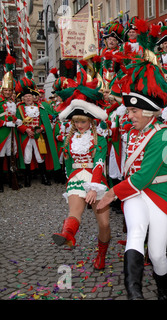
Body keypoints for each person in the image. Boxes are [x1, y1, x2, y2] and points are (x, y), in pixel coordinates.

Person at [97, 28, 167, 300]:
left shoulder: (164, 134)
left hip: (160, 193)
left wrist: (109, 194)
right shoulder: (132, 132)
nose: (128, 115)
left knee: (157, 254)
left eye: (133, 111)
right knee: (135, 236)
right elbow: (134, 179)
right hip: (134, 194)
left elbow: (143, 177)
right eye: (128, 110)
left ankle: (164, 294)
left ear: (147, 111)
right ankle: (134, 293)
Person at [51, 68, 111, 270]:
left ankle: (101, 255)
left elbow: (100, 163)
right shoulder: (69, 140)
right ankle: (67, 234)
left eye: (83, 121)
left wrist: (94, 188)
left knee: (103, 224)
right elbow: (68, 163)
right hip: (77, 177)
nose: (79, 125)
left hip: (96, 180)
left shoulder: (99, 138)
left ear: (91, 120)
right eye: (75, 121)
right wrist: (70, 181)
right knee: (74, 212)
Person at [15, 67, 60, 187]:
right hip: (26, 136)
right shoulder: (19, 108)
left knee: (40, 156)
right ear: (23, 98)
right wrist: (27, 130)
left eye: (30, 96)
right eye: (26, 97)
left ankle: (44, 177)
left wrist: (41, 128)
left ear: (33, 97)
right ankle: (27, 178)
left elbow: (44, 120)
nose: (28, 98)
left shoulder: (40, 107)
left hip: (38, 135)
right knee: (27, 156)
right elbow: (18, 122)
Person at [0, 54, 18, 192]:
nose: (7, 92)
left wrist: (18, 121)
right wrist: (5, 124)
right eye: (5, 90)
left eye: (9, 90)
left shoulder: (13, 102)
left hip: (12, 133)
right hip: (2, 132)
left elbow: (15, 116)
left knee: (11, 155)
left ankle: (12, 179)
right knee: (0, 157)